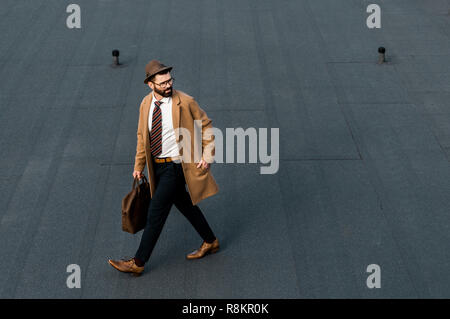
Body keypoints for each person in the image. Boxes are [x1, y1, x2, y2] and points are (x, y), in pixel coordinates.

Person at [108, 60, 220, 276]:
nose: (168, 86)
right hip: (156, 167)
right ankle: (211, 241)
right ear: (150, 84)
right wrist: (138, 165)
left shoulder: (185, 102)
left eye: (170, 81)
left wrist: (207, 155)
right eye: (163, 83)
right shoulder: (145, 104)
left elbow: (206, 124)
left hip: (176, 166)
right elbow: (143, 136)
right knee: (186, 205)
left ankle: (138, 262)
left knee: (156, 213)